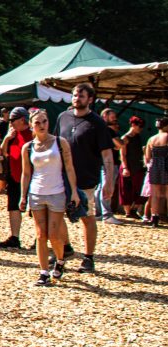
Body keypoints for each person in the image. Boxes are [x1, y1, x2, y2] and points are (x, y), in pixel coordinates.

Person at [53, 83, 115, 273]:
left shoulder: (96, 123)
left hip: (86, 178)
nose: (76, 98)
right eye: (74, 95)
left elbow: (107, 154)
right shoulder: (63, 117)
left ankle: (88, 258)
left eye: (81, 95)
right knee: (57, 215)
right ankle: (66, 248)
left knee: (86, 218)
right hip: (61, 177)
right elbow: (54, 145)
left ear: (90, 99)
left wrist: (109, 181)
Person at [19, 109, 80, 286]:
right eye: (37, 123)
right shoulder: (28, 147)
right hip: (36, 192)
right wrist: (23, 196)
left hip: (57, 192)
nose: (41, 125)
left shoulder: (60, 143)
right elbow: (26, 173)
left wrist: (74, 191)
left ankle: (60, 260)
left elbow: (69, 168)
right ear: (31, 125)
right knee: (40, 235)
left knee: (54, 234)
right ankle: (44, 271)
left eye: (44, 121)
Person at [0, 107, 33, 249]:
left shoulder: (33, 134)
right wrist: (6, 139)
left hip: (31, 176)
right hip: (14, 175)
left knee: (34, 209)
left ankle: (38, 238)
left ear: (22, 120)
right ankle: (15, 237)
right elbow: (2, 153)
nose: (10, 123)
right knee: (13, 207)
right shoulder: (12, 135)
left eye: (13, 120)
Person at [97, 108, 124, 224]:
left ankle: (99, 213)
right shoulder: (109, 131)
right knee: (107, 187)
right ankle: (106, 214)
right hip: (110, 163)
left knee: (100, 188)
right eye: (112, 117)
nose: (115, 119)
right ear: (105, 117)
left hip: (102, 162)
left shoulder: (100, 130)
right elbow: (120, 144)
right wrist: (119, 143)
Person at [118, 116, 147, 219]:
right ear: (133, 125)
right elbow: (122, 154)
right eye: (140, 126)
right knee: (126, 190)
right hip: (128, 166)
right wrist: (125, 168)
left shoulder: (138, 137)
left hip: (137, 166)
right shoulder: (125, 138)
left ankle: (134, 209)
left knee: (140, 189)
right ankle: (128, 212)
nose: (141, 129)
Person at [143, 117, 168, 227]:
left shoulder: (151, 139)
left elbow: (147, 157)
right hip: (166, 164)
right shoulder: (167, 136)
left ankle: (154, 218)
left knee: (155, 194)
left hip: (154, 166)